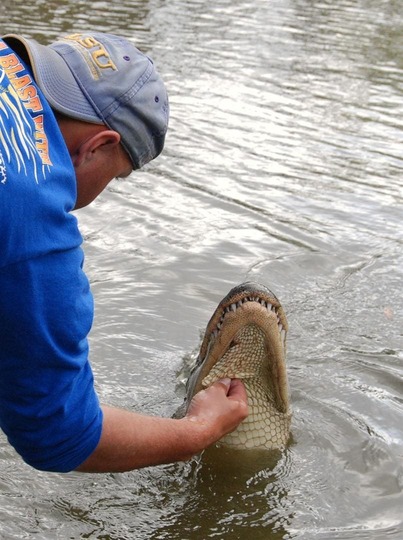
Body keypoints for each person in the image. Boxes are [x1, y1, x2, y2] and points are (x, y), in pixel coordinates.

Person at [0, 31, 248, 473]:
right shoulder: (32, 212)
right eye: (116, 177)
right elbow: (61, 437)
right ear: (99, 146)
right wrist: (199, 430)